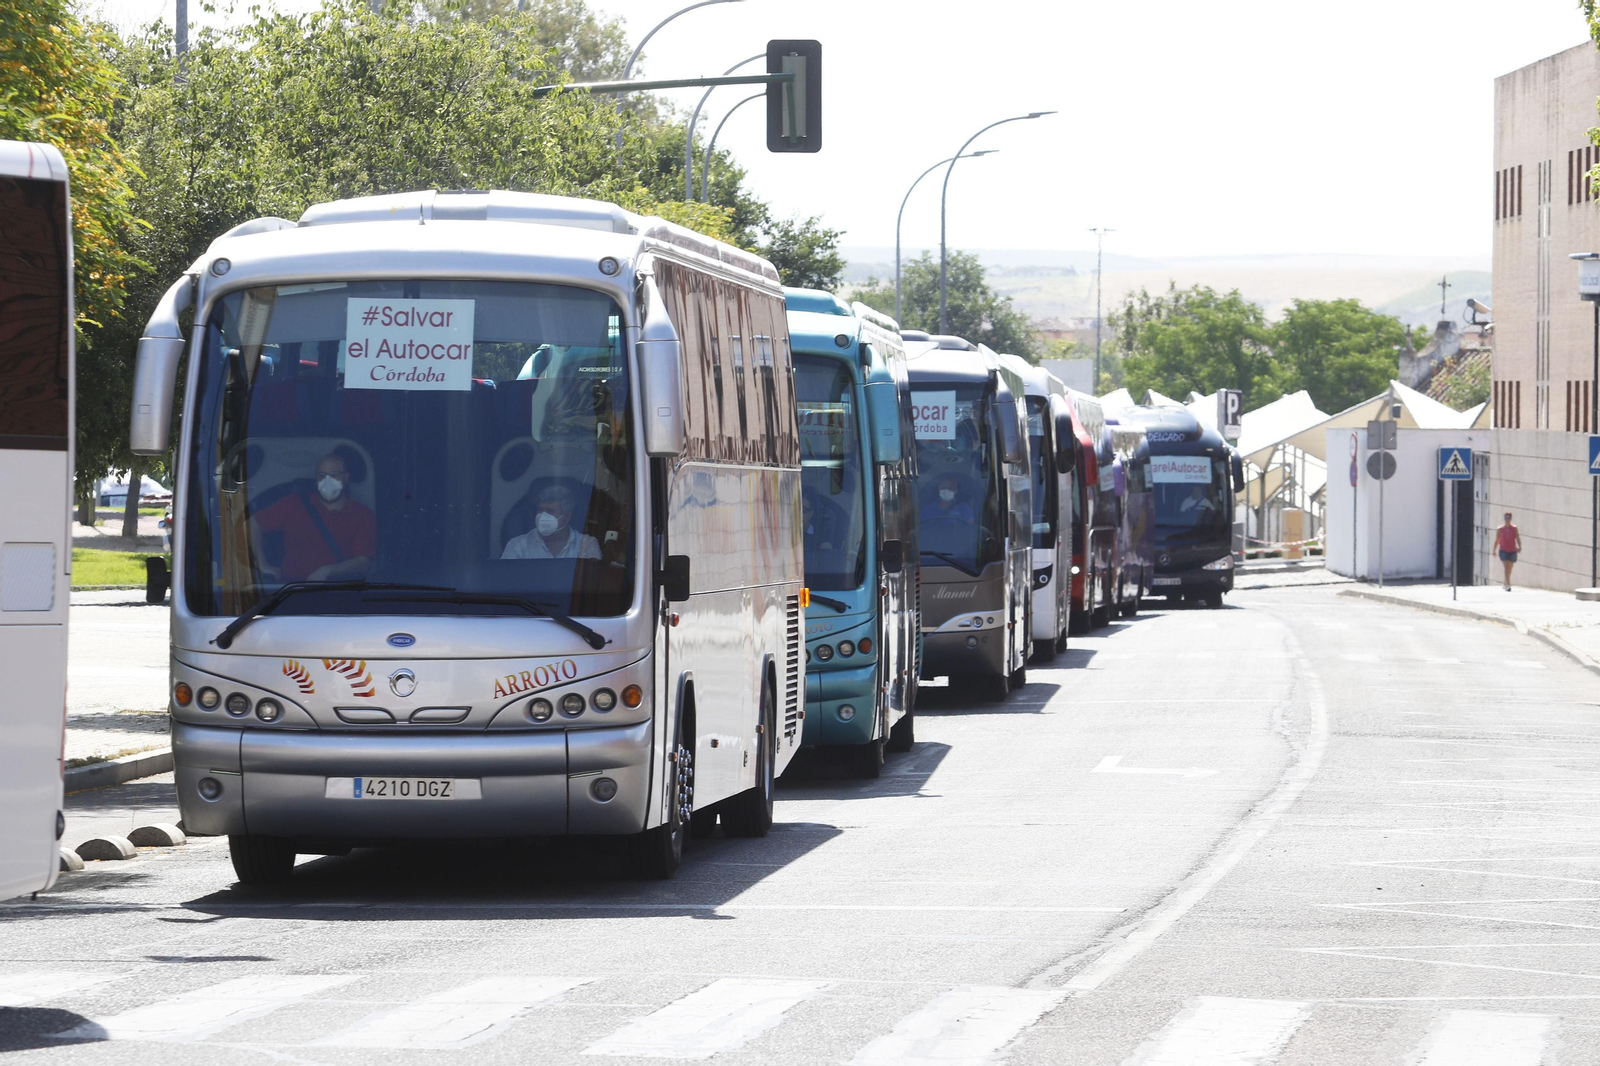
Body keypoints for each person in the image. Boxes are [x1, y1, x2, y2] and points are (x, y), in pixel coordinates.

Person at [252, 452, 375, 583]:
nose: (328, 481)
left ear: (346, 477)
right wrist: (262, 565)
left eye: (334, 475)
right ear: (316, 478)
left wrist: (328, 571)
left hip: (339, 591)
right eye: (322, 475)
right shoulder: (294, 503)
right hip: (290, 591)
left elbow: (363, 562)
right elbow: (252, 524)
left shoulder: (362, 514)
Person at [502, 484, 601, 560]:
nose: (542, 516)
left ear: (567, 517)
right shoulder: (518, 546)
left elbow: (591, 583)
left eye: (550, 511)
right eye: (540, 510)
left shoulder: (587, 545)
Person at [1497, 511, 1522, 591]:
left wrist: (1519, 547)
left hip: (1512, 550)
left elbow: (1517, 538)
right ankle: (1508, 584)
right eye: (1506, 518)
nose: (1507, 519)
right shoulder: (1500, 529)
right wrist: (1494, 550)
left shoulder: (1514, 528)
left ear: (1511, 519)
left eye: (1509, 518)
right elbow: (1497, 540)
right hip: (1503, 550)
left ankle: (1505, 582)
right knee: (1506, 566)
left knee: (1510, 567)